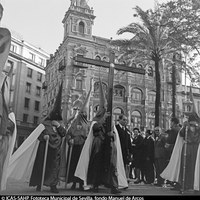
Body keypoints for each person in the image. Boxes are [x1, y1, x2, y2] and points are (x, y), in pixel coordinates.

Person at [29, 82, 66, 194]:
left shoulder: (60, 123)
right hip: (45, 148)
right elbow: (38, 134)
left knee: (54, 168)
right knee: (42, 165)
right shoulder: (44, 123)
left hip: (56, 150)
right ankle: (39, 183)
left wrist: (58, 126)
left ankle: (53, 186)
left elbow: (64, 133)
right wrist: (43, 136)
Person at [161, 112, 200, 193]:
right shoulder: (186, 126)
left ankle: (192, 184)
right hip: (187, 147)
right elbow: (182, 134)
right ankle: (185, 184)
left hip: (194, 147)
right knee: (185, 166)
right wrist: (186, 126)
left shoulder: (197, 127)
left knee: (193, 167)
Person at [115, 114, 132, 180]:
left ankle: (123, 180)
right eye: (124, 120)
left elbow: (129, 142)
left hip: (125, 152)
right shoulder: (116, 128)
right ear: (119, 120)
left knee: (124, 166)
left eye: (126, 120)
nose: (125, 121)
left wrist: (130, 152)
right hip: (118, 151)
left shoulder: (127, 130)